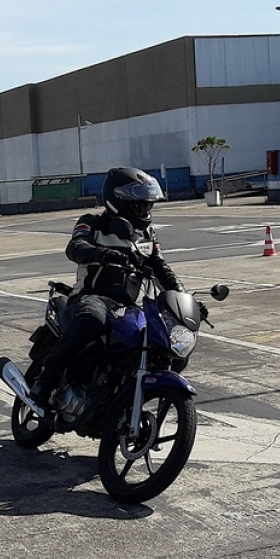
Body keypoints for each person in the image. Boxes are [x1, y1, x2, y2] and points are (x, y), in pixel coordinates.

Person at [30, 166, 187, 409]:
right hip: (90, 297)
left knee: (168, 338)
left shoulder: (147, 235)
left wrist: (183, 299)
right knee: (93, 318)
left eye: (148, 205)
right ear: (118, 201)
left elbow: (161, 268)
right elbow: (75, 248)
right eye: (140, 205)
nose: (145, 210)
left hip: (126, 307)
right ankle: (45, 382)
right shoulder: (92, 223)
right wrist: (108, 255)